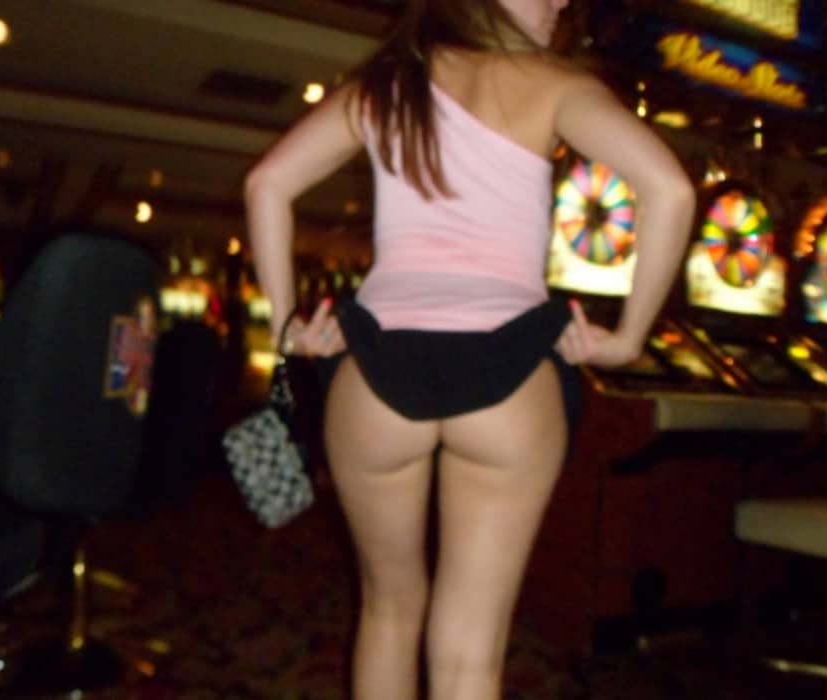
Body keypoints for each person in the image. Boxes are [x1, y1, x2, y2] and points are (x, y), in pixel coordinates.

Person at [244, 1, 695, 698]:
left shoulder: (387, 84)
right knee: (471, 654)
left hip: (377, 370)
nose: (560, 3)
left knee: (388, 610)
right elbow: (668, 188)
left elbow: (266, 183)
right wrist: (628, 338)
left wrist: (285, 327)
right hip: (507, 370)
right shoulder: (557, 84)